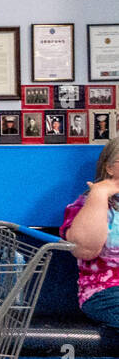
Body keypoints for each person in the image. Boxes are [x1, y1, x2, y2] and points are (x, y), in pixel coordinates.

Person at [62, 139, 119, 329]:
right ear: (109, 168)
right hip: (107, 292)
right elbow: (85, 249)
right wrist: (100, 194)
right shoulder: (87, 203)